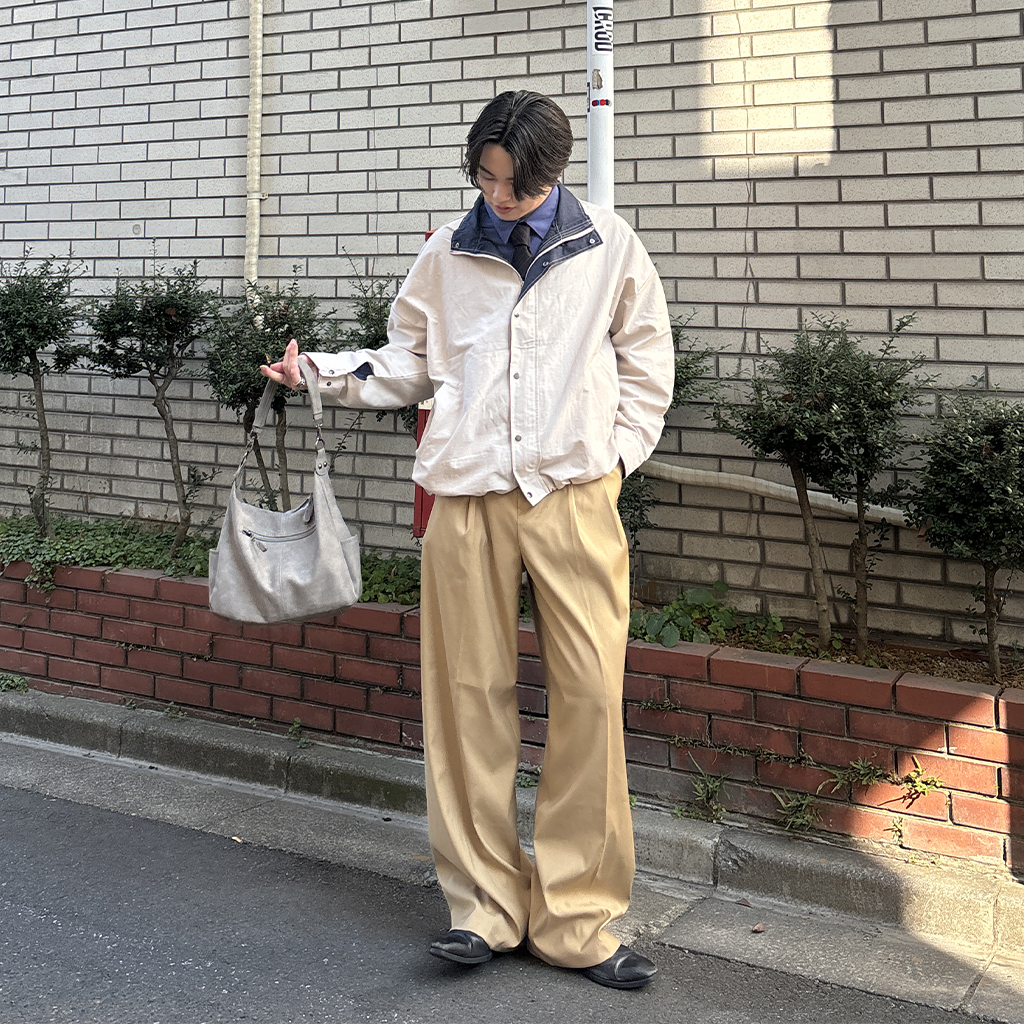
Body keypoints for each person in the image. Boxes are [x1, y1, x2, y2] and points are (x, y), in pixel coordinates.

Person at [262, 90, 674, 990]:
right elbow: (409, 357)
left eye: (515, 184)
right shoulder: (448, 250)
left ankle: (577, 920)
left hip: (573, 496)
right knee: (465, 700)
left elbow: (647, 360)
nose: (498, 196)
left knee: (589, 700)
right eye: (485, 178)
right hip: (467, 496)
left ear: (553, 173)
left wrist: (615, 460)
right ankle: (483, 907)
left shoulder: (609, 245)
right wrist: (321, 372)